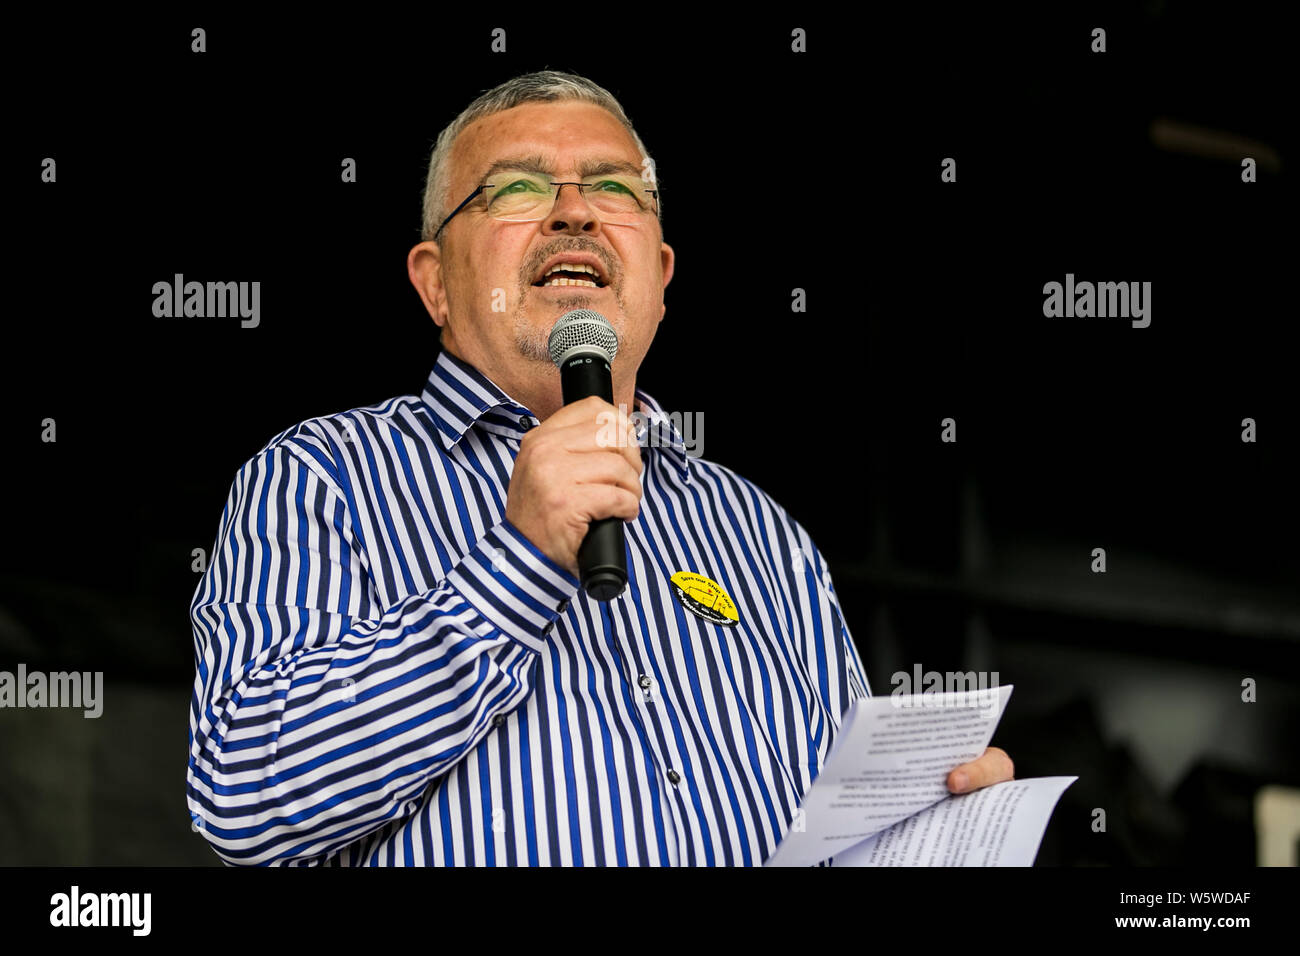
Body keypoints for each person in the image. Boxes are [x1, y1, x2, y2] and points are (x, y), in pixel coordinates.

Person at [186, 70, 1013, 866]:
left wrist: (932, 827)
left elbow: (835, 837)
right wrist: (516, 563)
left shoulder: (763, 535)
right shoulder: (325, 477)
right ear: (435, 283)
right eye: (516, 189)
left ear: (657, 276)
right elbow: (242, 797)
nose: (573, 212)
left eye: (615, 188)